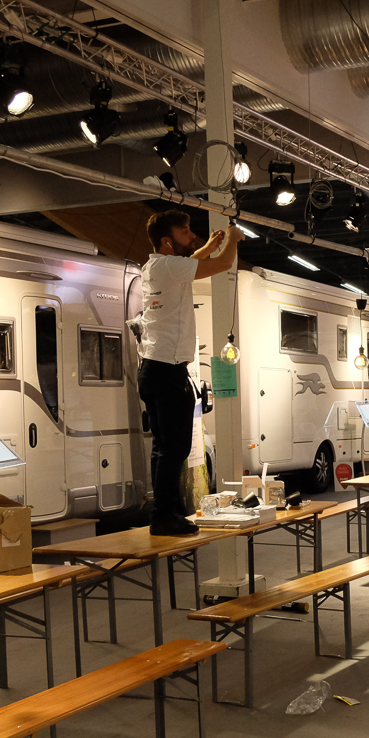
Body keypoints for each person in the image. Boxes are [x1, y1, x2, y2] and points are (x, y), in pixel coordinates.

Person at [139, 210, 244, 536]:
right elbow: (223, 264)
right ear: (167, 241)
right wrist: (233, 238)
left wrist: (207, 247)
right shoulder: (170, 267)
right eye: (184, 231)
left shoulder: (156, 266)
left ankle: (164, 513)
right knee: (175, 449)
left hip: (153, 369)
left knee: (164, 448)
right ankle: (163, 516)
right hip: (168, 370)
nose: (192, 235)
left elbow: (191, 264)